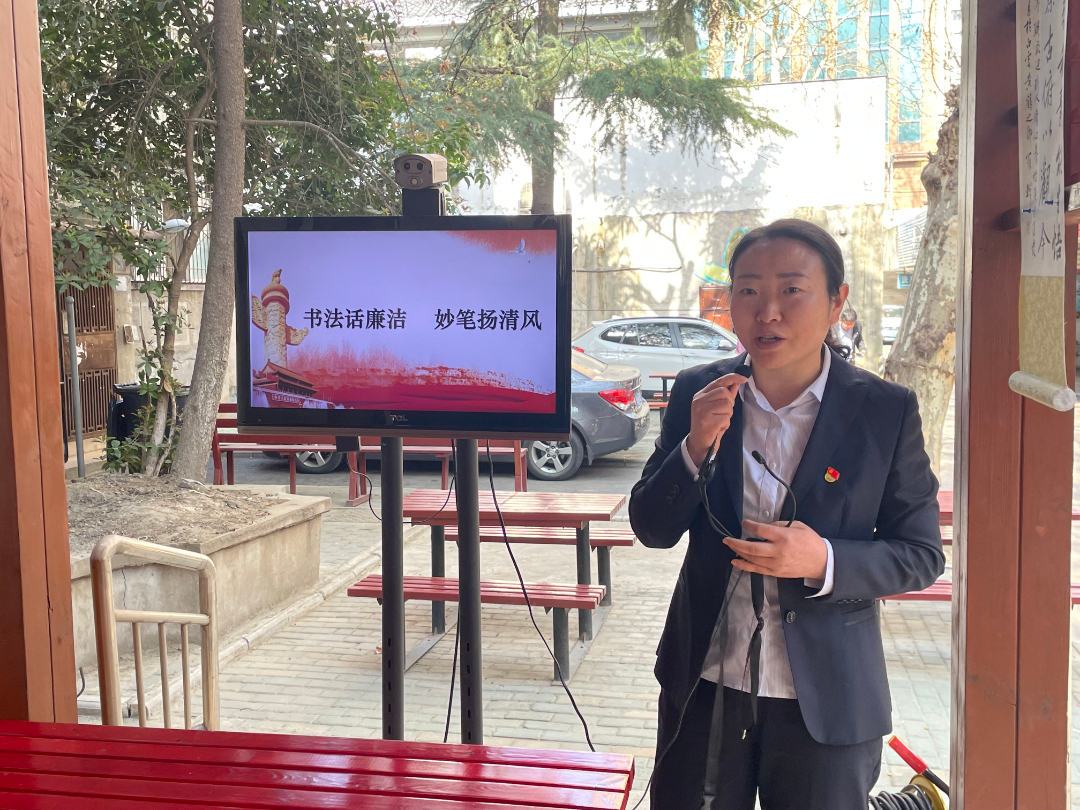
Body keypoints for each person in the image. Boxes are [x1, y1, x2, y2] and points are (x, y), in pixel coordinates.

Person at [629, 219, 943, 810]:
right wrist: (694, 447)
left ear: (836, 302)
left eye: (792, 290)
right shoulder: (700, 392)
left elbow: (922, 554)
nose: (767, 311)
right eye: (748, 290)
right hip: (704, 685)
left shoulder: (884, 410)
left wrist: (822, 558)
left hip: (826, 698)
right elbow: (651, 527)